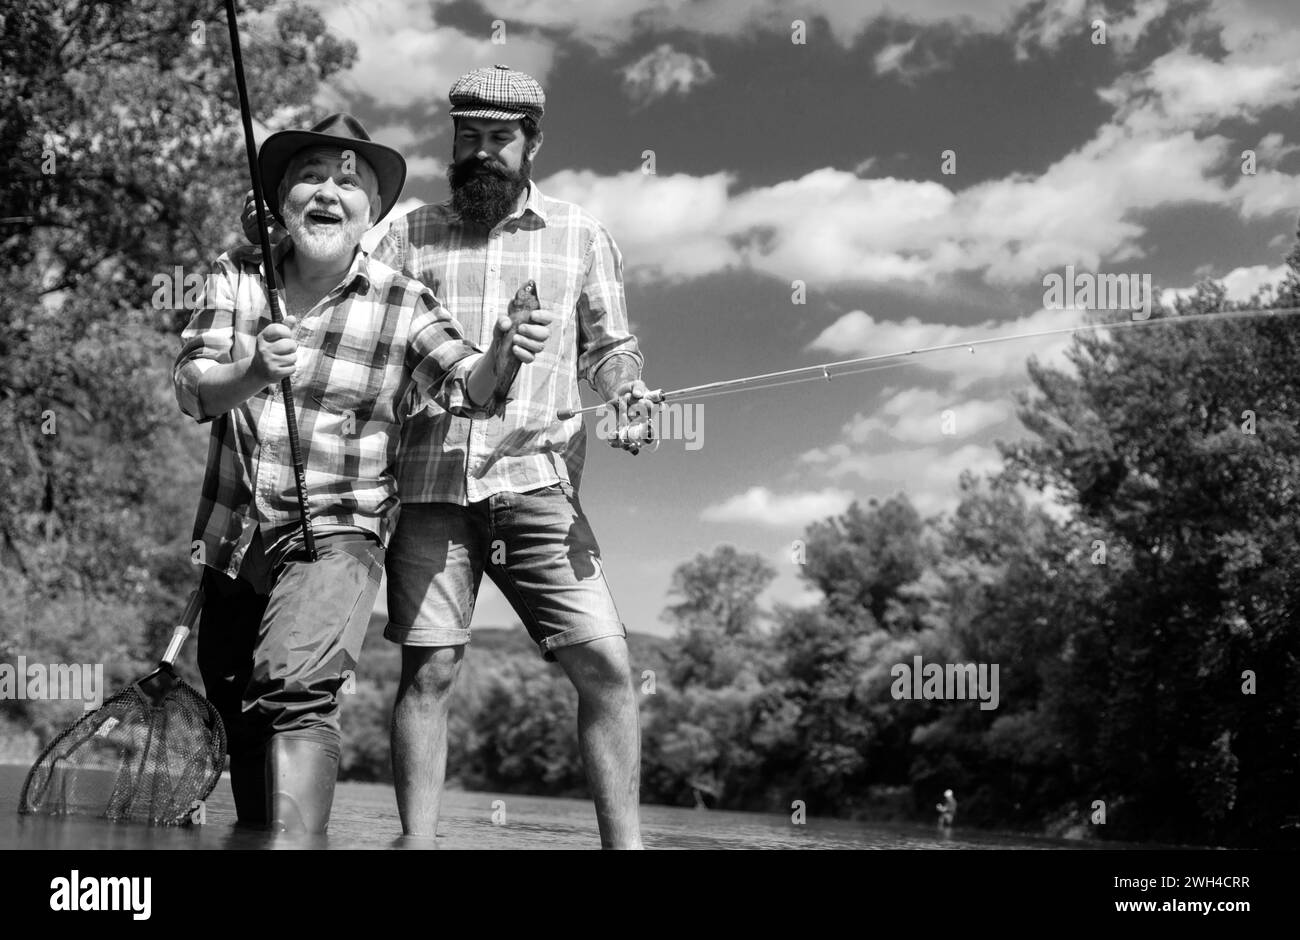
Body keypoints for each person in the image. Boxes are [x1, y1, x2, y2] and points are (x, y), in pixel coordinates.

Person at [179, 113, 550, 834]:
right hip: (233, 534)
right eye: (310, 175)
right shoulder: (233, 274)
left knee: (295, 686)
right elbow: (194, 389)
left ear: (372, 214)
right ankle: (262, 835)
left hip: (338, 534)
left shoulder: (402, 297)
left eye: (350, 182)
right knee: (235, 700)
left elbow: (471, 386)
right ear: (281, 199)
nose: (328, 192)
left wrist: (504, 350)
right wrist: (252, 369)